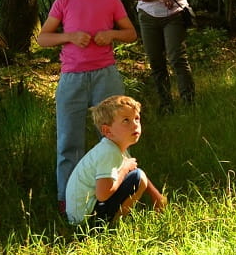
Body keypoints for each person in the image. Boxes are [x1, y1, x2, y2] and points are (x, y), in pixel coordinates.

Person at [37, 0, 138, 212]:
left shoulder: (111, 0)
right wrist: (68, 36)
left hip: (106, 75)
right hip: (72, 78)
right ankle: (68, 198)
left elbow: (131, 34)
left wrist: (112, 34)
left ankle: (121, 193)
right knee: (69, 139)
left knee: (116, 136)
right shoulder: (64, 1)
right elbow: (43, 38)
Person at [65, 95, 167, 225]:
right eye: (126, 120)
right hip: (87, 221)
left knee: (137, 175)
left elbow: (133, 170)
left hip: (88, 214)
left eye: (137, 119)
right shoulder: (109, 152)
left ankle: (111, 221)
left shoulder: (115, 148)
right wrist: (124, 169)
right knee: (138, 177)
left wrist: (157, 197)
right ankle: (111, 226)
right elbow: (103, 194)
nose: (135, 125)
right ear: (107, 131)